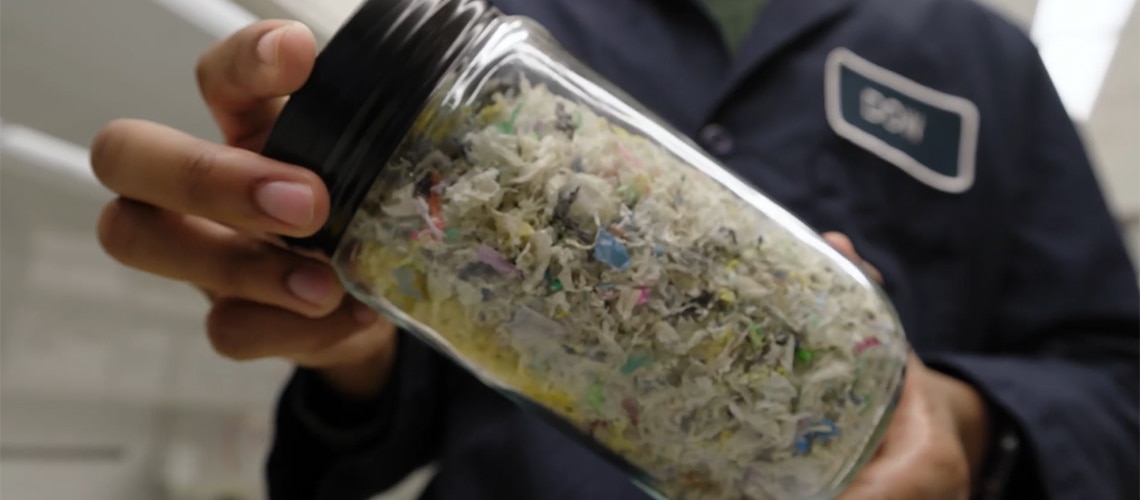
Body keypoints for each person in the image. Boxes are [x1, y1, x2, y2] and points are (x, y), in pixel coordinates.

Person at [88, 0, 1139, 498]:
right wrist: (349, 327)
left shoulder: (979, 55)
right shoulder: (521, 18)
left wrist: (955, 418)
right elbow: (369, 422)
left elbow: (1118, 383)